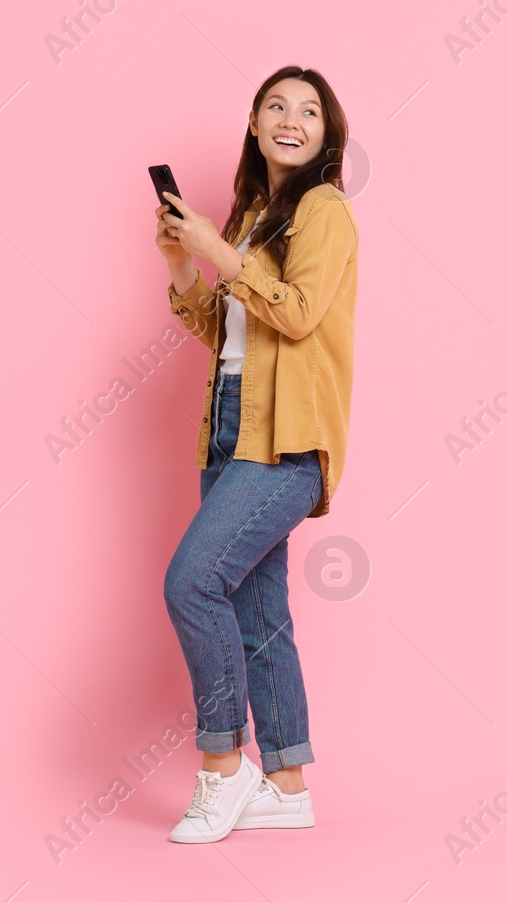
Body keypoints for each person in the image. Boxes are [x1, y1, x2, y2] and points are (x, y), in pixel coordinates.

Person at [152, 66, 359, 843]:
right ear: (253, 120)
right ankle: (287, 785)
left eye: (310, 111)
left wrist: (219, 248)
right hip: (231, 425)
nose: (291, 119)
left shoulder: (326, 210)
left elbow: (300, 316)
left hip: (287, 440)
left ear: (326, 135)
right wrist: (185, 259)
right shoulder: (254, 214)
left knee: (191, 582)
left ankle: (221, 767)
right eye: (277, 105)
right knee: (257, 612)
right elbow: (228, 334)